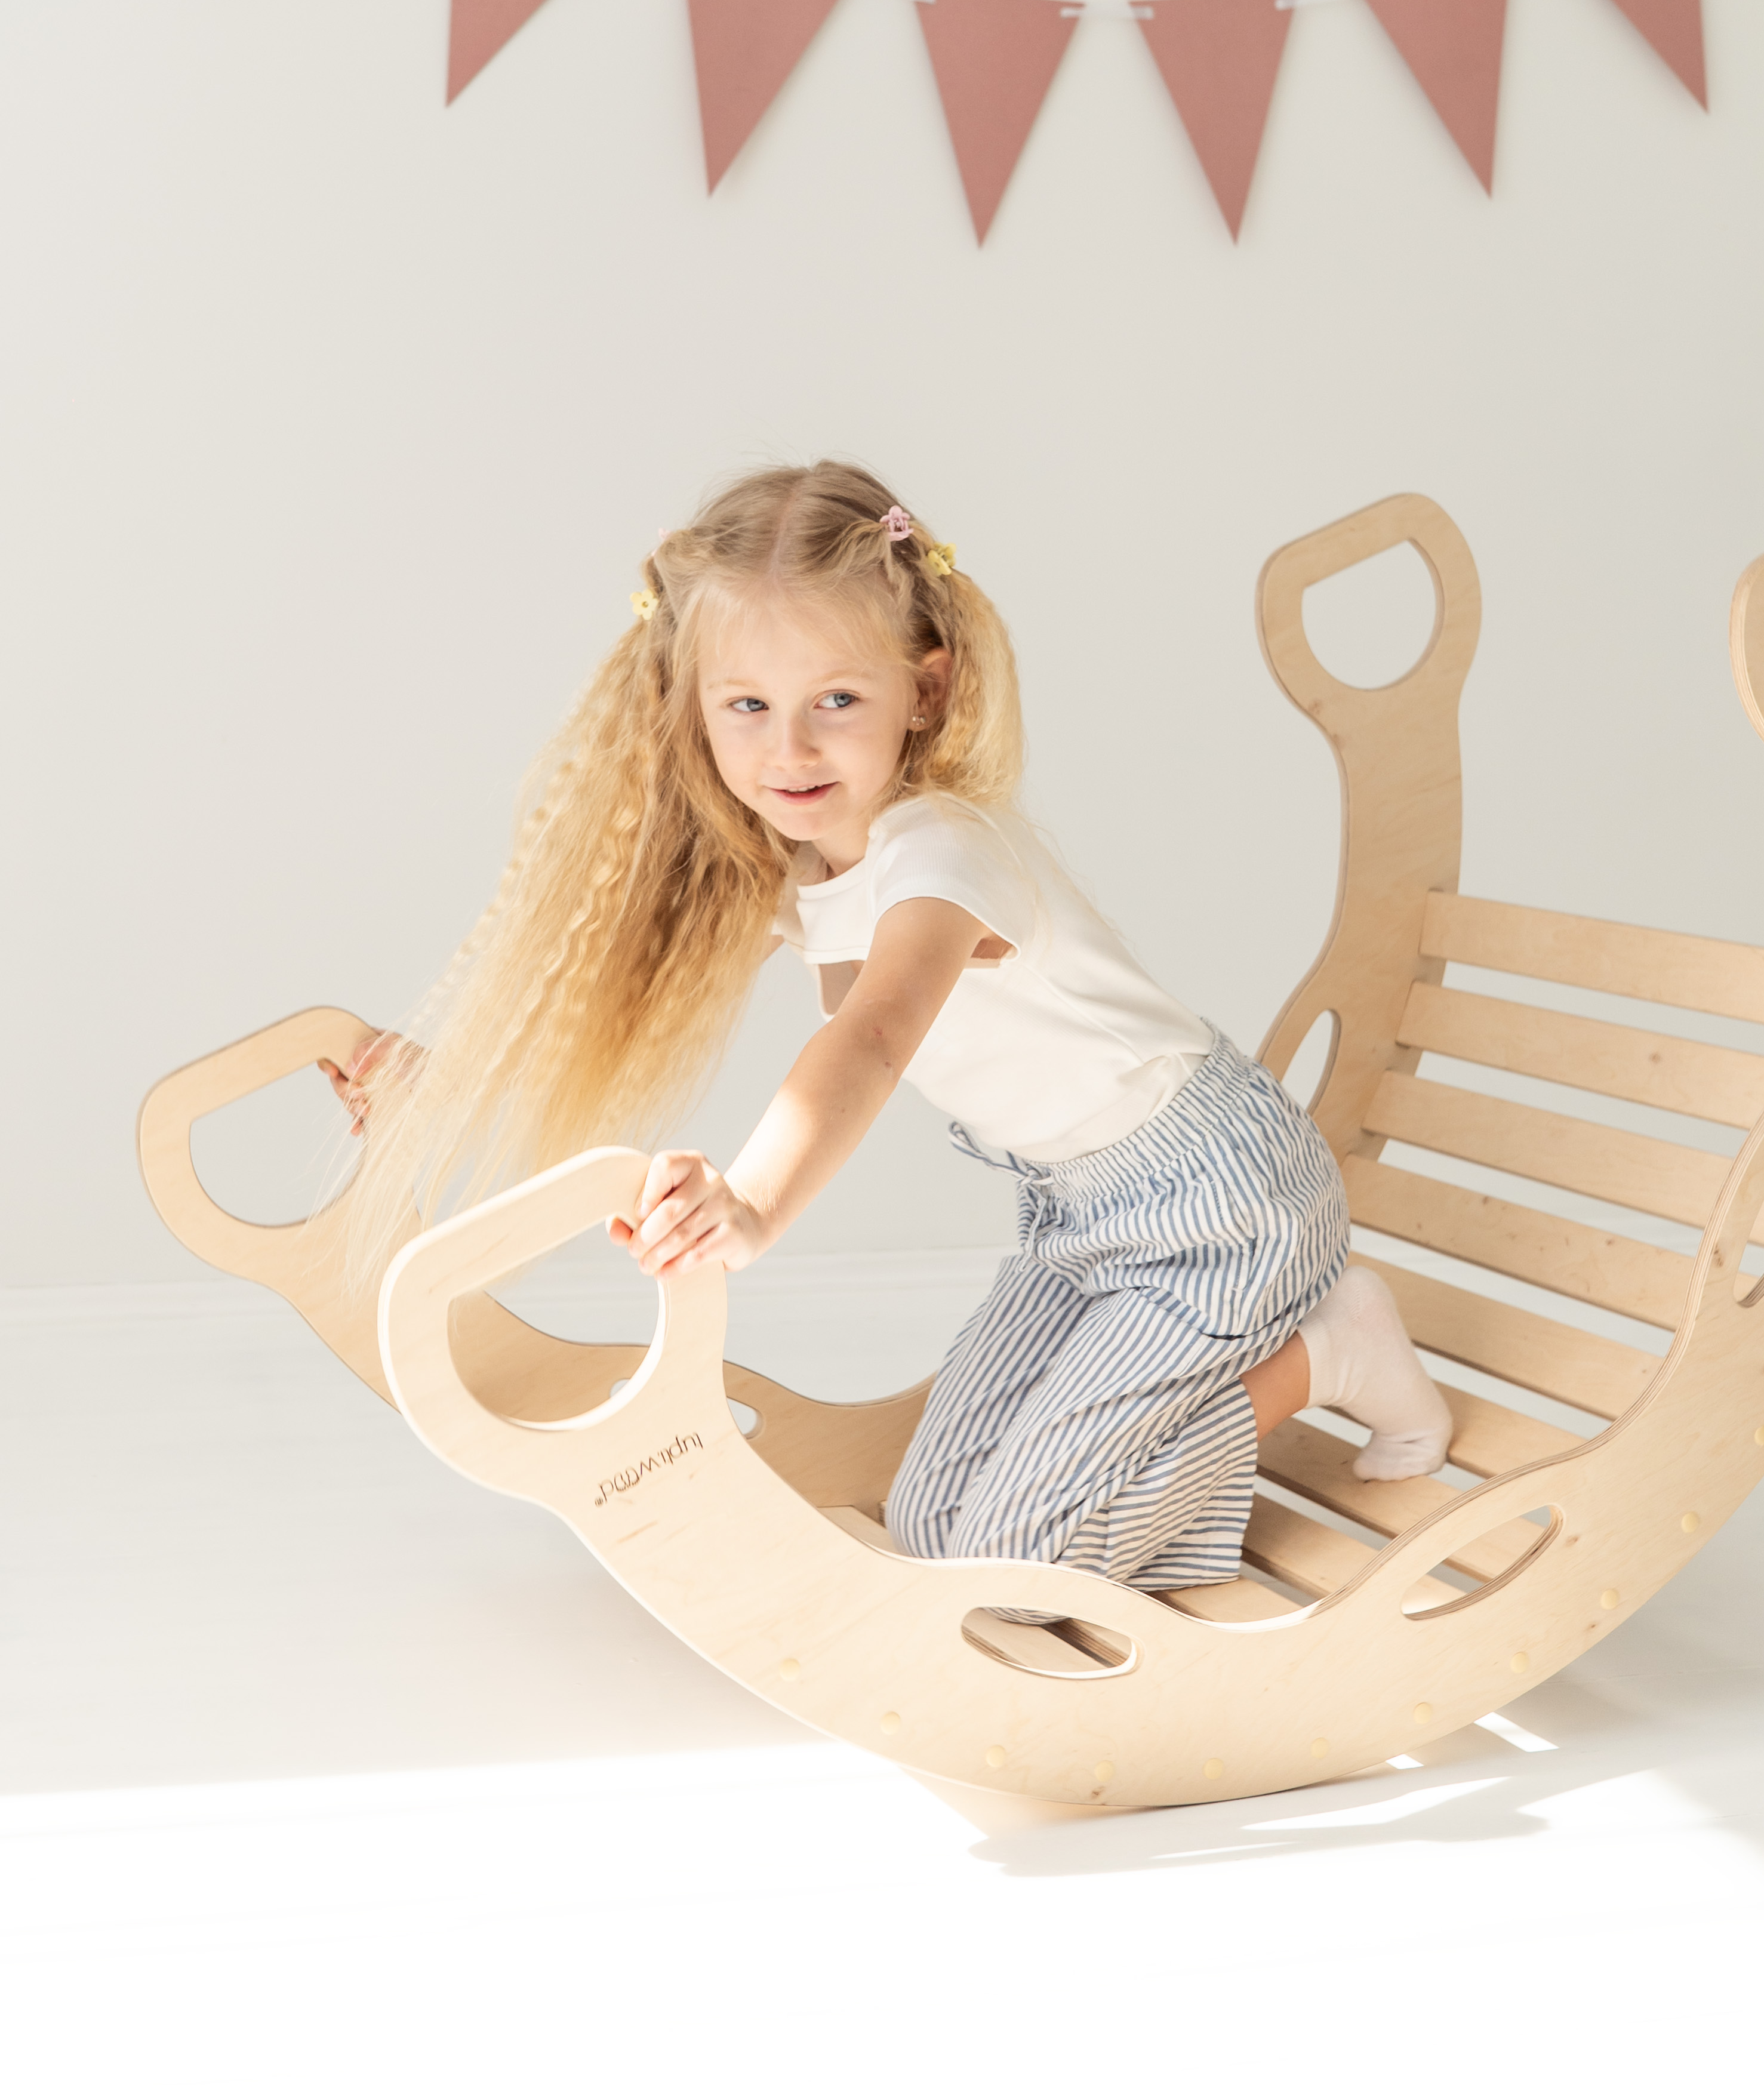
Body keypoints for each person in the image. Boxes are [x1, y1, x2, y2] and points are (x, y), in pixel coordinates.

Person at [327, 459, 1450, 1603]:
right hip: (1081, 1211)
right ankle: (1207, 1402)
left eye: (836, 701)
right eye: (747, 706)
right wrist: (445, 1080)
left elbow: (870, 1036)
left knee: (1021, 1565)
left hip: (1219, 1197)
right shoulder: (799, 871)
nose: (790, 749)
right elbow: (608, 993)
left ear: (924, 689)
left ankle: (1331, 1350)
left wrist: (752, 1202)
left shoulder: (941, 856)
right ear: (692, 702)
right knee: (929, 1520)